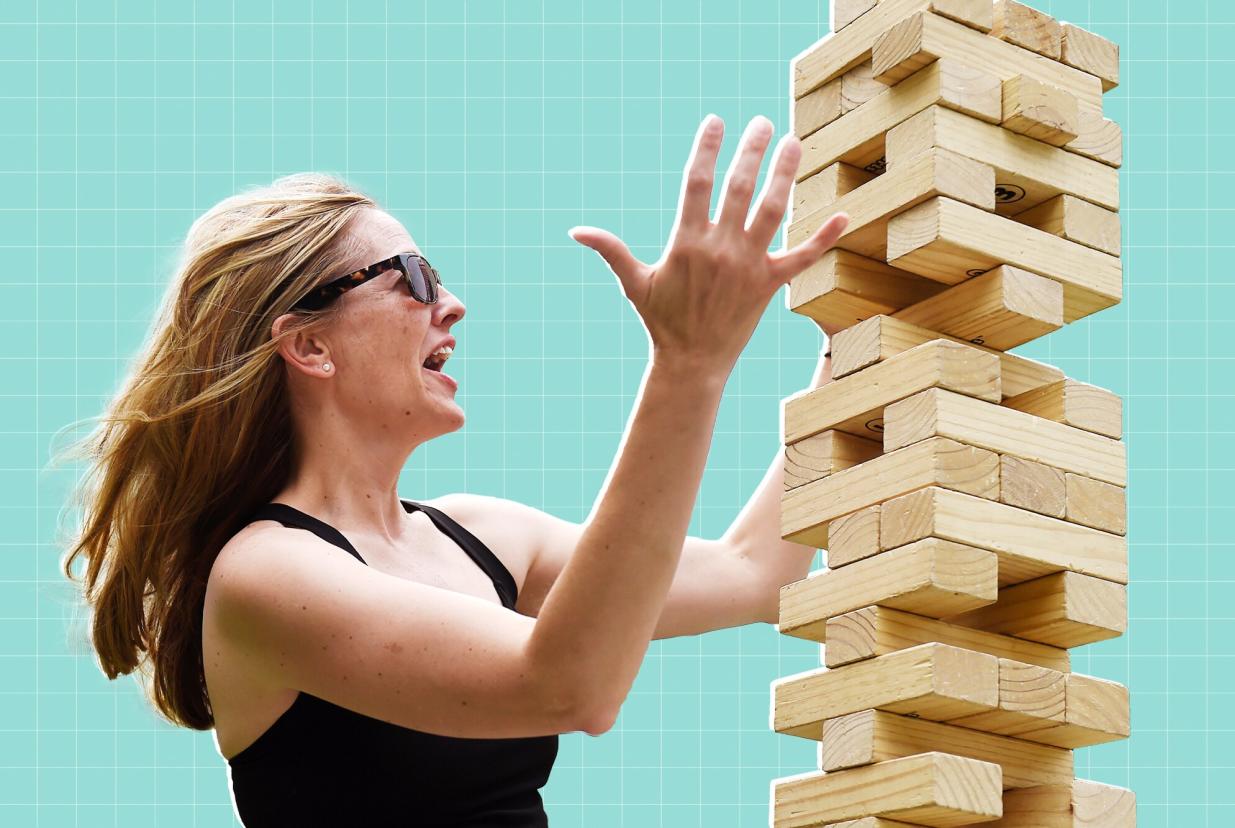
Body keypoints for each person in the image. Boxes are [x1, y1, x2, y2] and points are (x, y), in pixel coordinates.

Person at [58, 113, 848, 826]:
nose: (453, 302)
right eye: (413, 276)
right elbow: (573, 686)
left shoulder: (483, 537)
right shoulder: (264, 576)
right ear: (309, 346)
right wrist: (689, 362)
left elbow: (754, 574)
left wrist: (856, 336)